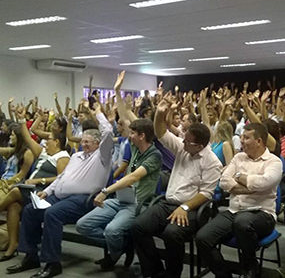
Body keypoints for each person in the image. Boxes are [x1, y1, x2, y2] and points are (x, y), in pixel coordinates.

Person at [6, 105, 113, 278]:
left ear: (97, 144)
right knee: (30, 210)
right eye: (82, 141)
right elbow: (61, 178)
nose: (83, 144)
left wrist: (99, 113)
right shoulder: (77, 156)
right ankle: (30, 256)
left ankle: (52, 262)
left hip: (83, 200)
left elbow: (107, 132)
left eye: (87, 142)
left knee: (52, 214)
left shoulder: (102, 156)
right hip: (60, 196)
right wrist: (46, 192)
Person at [76, 75, 162, 271]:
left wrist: (106, 191)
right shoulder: (134, 144)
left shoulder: (154, 155)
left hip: (138, 204)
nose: (126, 135)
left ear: (141, 136)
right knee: (83, 225)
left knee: (111, 230)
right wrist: (116, 91)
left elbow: (132, 177)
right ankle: (124, 245)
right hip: (121, 198)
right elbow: (124, 118)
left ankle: (115, 252)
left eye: (132, 133)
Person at [131, 98, 222, 278]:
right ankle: (154, 270)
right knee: (137, 226)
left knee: (172, 234)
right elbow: (160, 132)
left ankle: (173, 274)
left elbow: (206, 193)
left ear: (200, 146)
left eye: (188, 142)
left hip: (193, 209)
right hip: (167, 203)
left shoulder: (212, 162)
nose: (183, 143)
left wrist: (185, 207)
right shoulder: (183, 147)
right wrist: (160, 112)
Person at [196, 123, 282, 278]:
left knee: (242, 222)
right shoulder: (238, 158)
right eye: (241, 136)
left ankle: (249, 266)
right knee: (203, 238)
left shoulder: (274, 162)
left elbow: (263, 183)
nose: (241, 140)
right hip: (234, 211)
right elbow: (223, 181)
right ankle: (223, 275)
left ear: (259, 141)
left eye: (246, 137)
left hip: (262, 213)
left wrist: (238, 177)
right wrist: (249, 187)